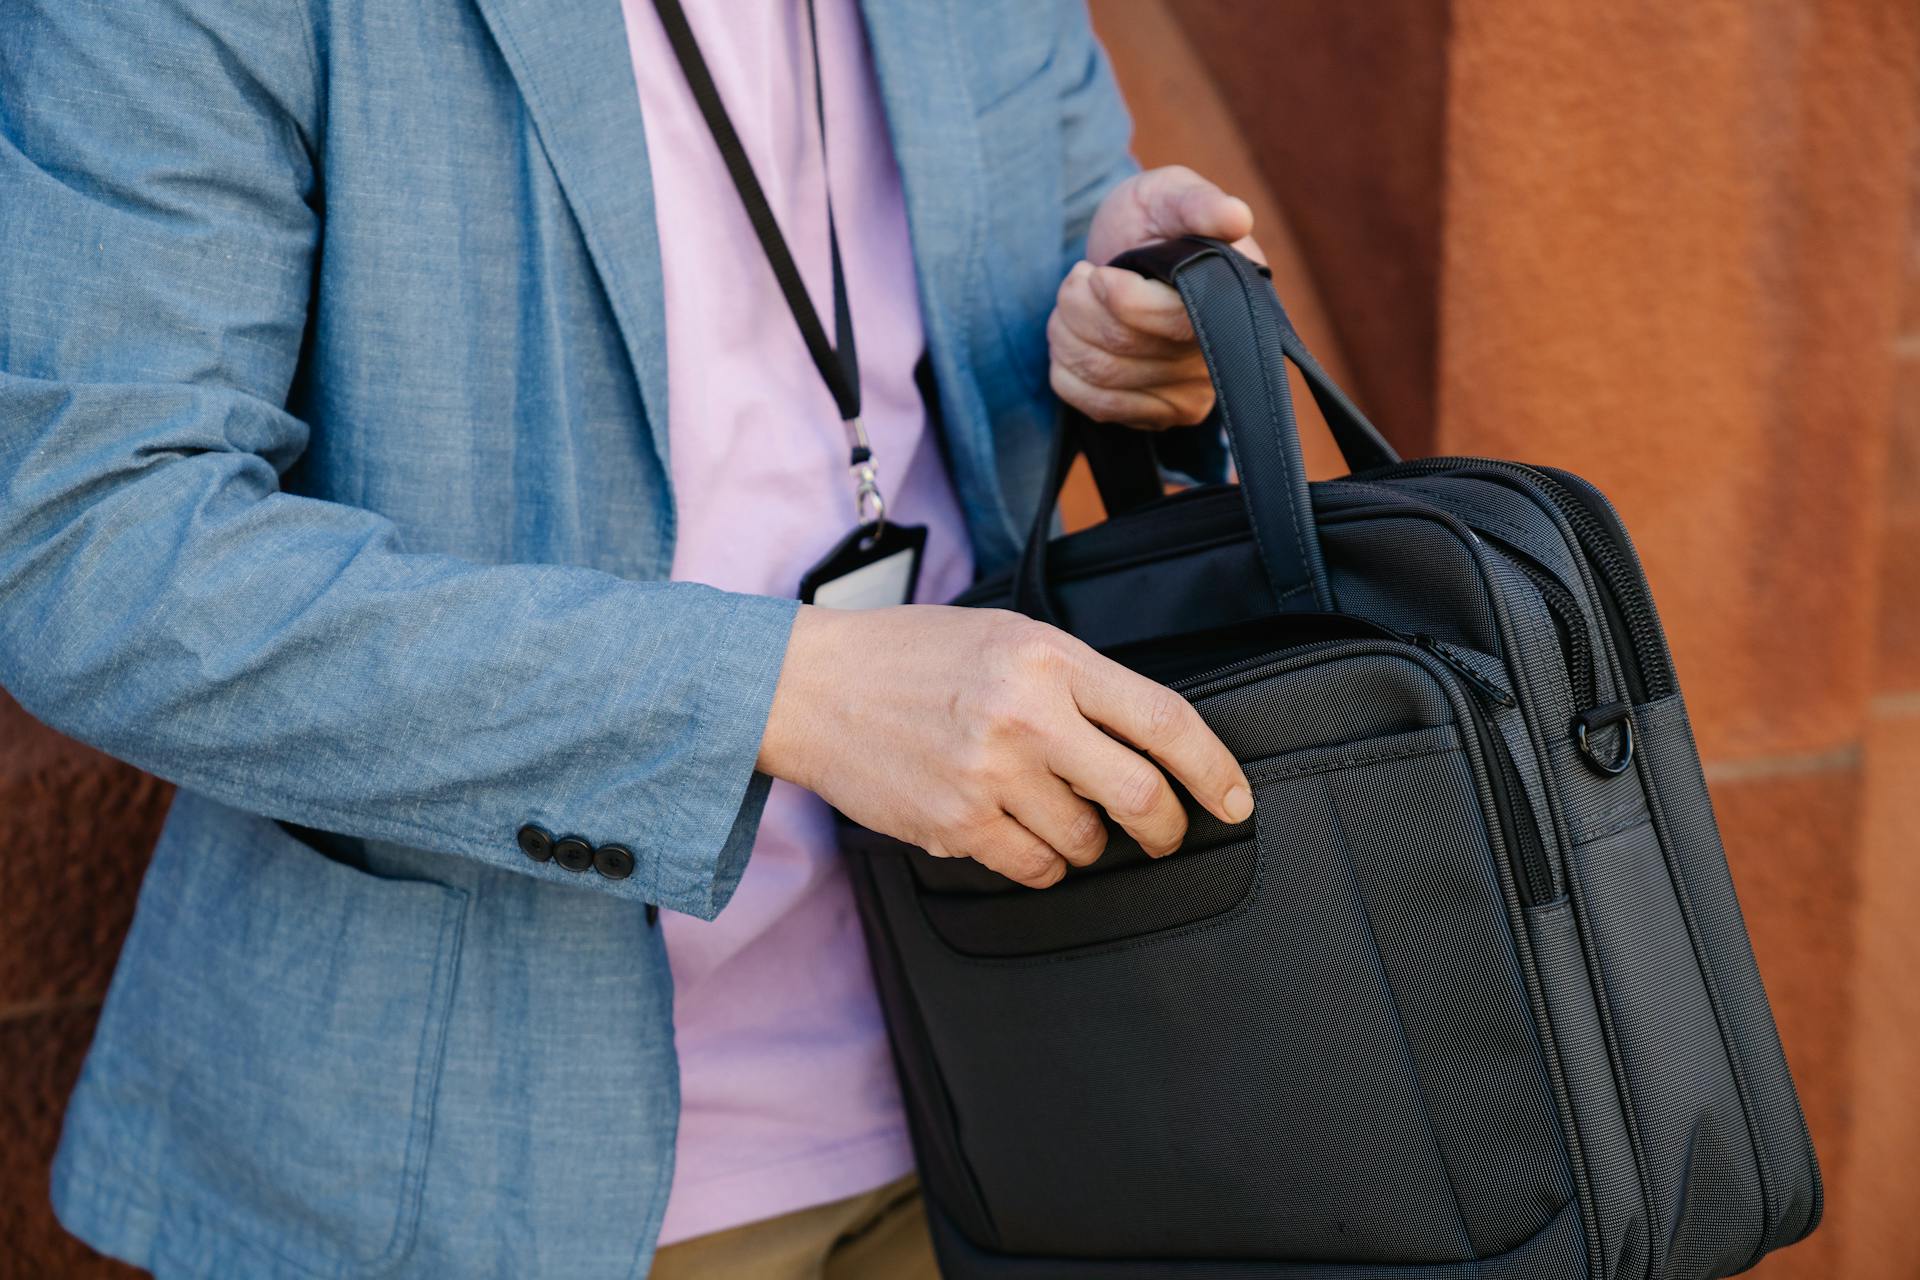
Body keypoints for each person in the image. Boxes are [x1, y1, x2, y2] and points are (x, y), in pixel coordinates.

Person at [0, 1, 1262, 1276]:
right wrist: (777, 692)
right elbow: (96, 547)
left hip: (1015, 1097)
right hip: (489, 1181)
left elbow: (1041, 292)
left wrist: (1131, 334)